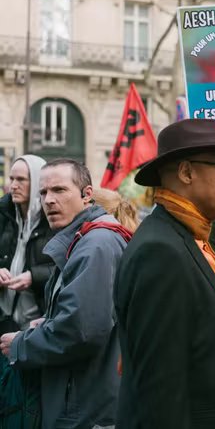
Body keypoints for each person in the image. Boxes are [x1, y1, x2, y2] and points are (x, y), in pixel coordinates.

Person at [114, 119, 215, 429]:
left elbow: (206, 336)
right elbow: (160, 391)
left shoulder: (185, 237)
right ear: (186, 172)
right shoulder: (160, 251)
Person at [0, 158, 131, 428]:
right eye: (43, 192)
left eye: (59, 190)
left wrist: (21, 345)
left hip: (85, 407)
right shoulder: (84, 239)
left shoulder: (96, 244)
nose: (49, 200)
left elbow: (80, 331)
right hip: (81, 400)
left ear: (87, 194)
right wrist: (48, 322)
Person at [0, 155, 54, 329]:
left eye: (21, 179)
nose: (13, 185)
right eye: (12, 179)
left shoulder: (54, 219)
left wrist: (34, 276)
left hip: (37, 323)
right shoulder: (3, 213)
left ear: (39, 182)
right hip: (3, 319)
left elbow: (67, 266)